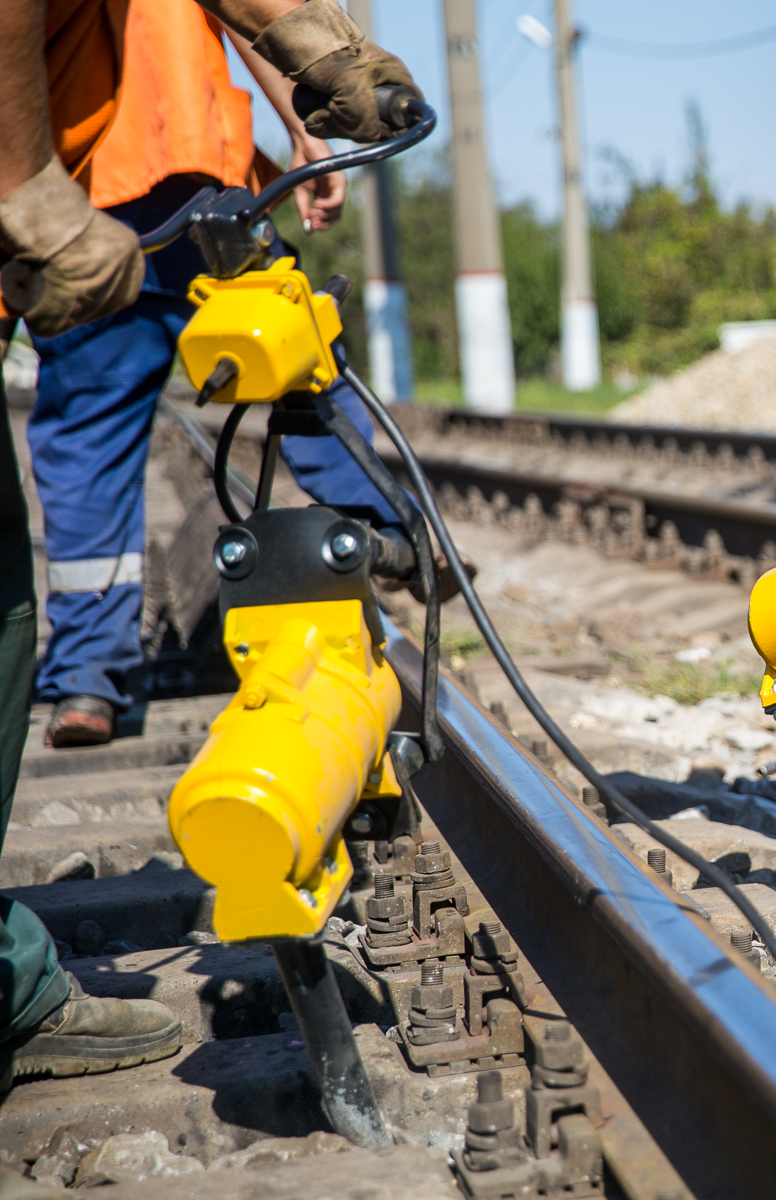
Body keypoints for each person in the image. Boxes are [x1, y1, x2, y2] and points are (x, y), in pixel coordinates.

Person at [0, 0, 421, 1087]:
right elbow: (253, 20)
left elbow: (257, 18)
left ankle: (89, 672)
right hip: (150, 178)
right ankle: (386, 539)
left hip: (90, 187)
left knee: (101, 423)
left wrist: (307, 117)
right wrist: (308, 116)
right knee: (294, 366)